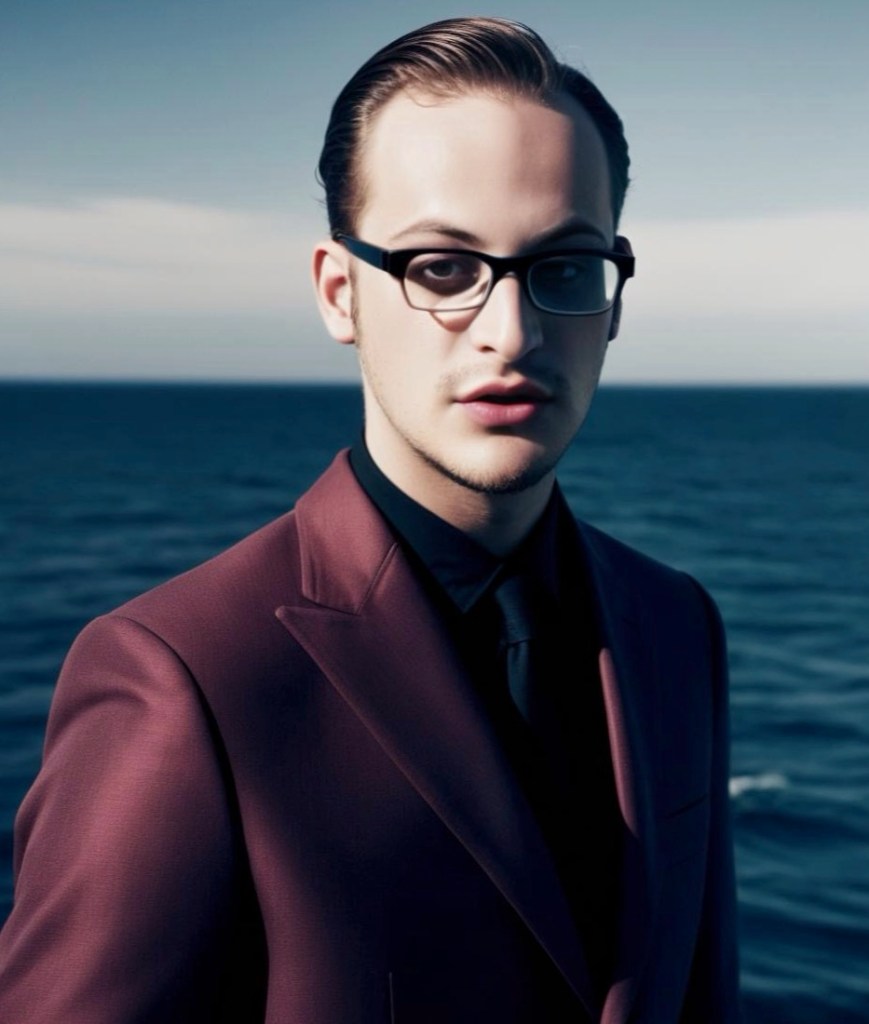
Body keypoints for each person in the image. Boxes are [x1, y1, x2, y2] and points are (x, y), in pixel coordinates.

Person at [0, 16, 741, 1023]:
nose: (512, 332)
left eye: (564, 266)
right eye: (441, 267)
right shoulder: (182, 677)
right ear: (339, 292)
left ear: (613, 301)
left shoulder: (675, 622)